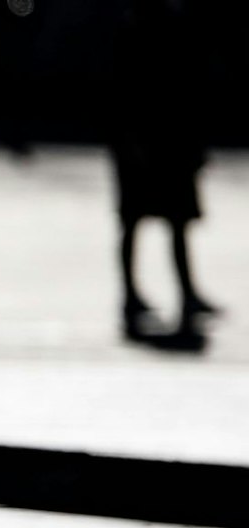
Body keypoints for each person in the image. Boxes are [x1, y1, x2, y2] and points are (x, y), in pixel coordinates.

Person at [109, 0, 216, 347]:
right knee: (138, 220)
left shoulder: (168, 23)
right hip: (148, 138)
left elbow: (188, 85)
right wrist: (128, 138)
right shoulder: (135, 28)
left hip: (169, 138)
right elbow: (119, 89)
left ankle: (182, 292)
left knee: (171, 220)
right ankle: (134, 294)